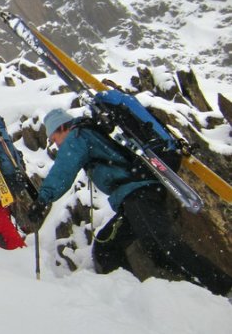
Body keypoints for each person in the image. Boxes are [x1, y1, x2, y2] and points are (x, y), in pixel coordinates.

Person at [31, 108, 232, 296]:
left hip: (139, 193)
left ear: (63, 126)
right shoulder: (87, 133)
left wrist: (42, 200)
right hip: (134, 196)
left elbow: (63, 170)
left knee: (163, 246)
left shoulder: (77, 136)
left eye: (54, 137)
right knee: (107, 248)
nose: (55, 143)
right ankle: (131, 300)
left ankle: (224, 288)